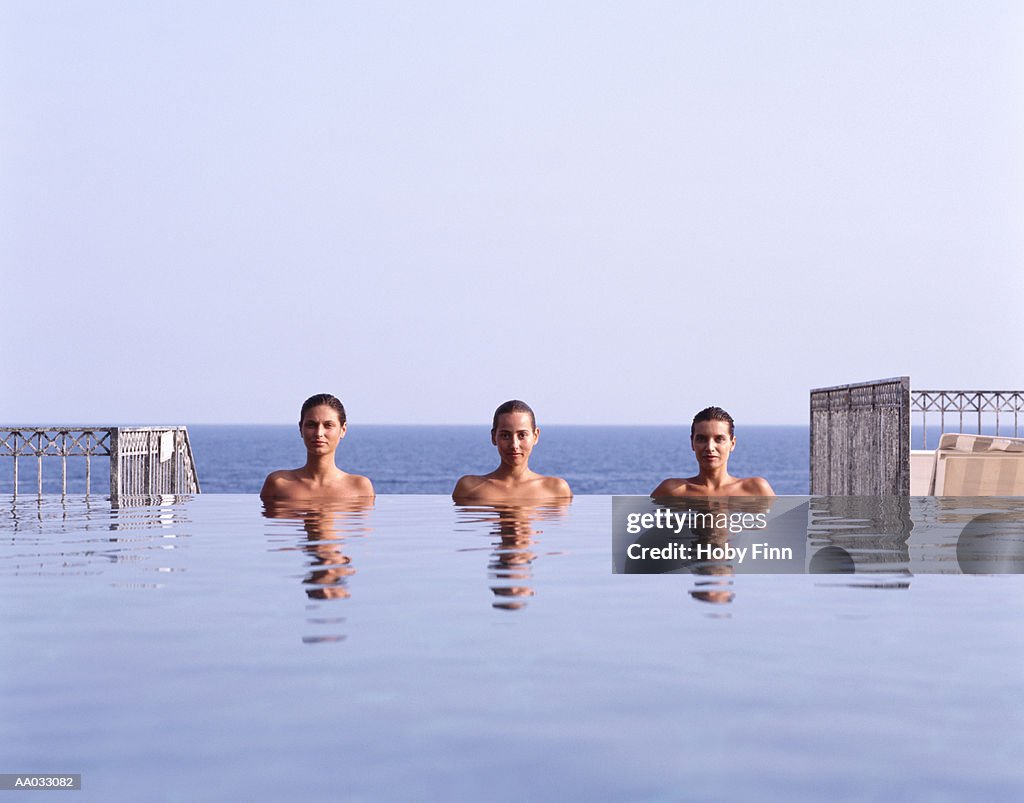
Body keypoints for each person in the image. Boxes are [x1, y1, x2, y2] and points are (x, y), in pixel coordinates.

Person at [260, 393, 374, 502]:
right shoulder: (278, 483)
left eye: (328, 425)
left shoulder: (360, 487)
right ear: (301, 429)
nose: (319, 433)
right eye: (311, 425)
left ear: (343, 430)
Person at [452, 400, 572, 503]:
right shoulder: (469, 488)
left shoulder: (556, 489)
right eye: (505, 435)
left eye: (522, 435)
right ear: (494, 437)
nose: (514, 445)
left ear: (535, 436)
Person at [651, 406, 774, 498]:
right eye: (701, 439)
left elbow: (782, 528)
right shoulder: (673, 490)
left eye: (719, 439)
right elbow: (638, 527)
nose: (710, 447)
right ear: (692, 443)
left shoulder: (756, 490)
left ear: (732, 443)